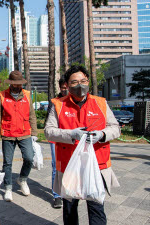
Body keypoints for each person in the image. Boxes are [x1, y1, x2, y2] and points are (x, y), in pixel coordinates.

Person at [44, 65, 120, 225]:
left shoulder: (100, 103)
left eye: (83, 81)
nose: (80, 85)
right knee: (70, 210)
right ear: (67, 85)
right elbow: (49, 131)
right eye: (74, 82)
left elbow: (115, 128)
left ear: (88, 82)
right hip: (69, 166)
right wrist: (71, 134)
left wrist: (102, 134)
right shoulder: (58, 104)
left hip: (97, 165)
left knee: (97, 208)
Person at [0, 70, 38, 201]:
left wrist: (34, 132)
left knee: (29, 158)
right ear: (11, 84)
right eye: (15, 84)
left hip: (24, 133)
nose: (18, 86)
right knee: (7, 163)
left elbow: (32, 115)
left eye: (20, 84)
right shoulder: (2, 96)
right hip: (8, 133)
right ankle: (8, 188)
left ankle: (22, 179)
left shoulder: (27, 95)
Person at [46, 77, 68, 208]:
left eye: (67, 87)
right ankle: (57, 195)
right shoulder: (54, 102)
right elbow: (49, 123)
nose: (65, 90)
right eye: (63, 87)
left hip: (71, 139)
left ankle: (68, 191)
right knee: (56, 166)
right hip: (56, 139)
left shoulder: (73, 102)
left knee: (71, 166)